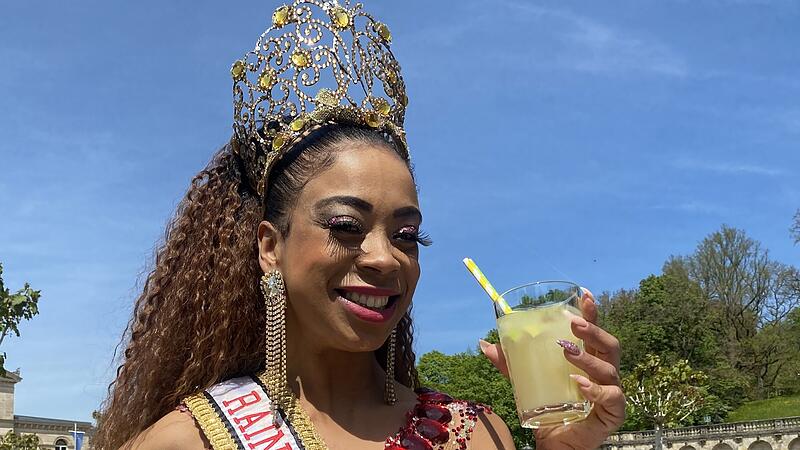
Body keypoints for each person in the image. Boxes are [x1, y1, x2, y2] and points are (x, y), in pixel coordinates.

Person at [94, 1, 625, 449]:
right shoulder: (188, 441)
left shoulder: (480, 434)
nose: (384, 258)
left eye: (407, 235)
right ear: (269, 247)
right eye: (346, 225)